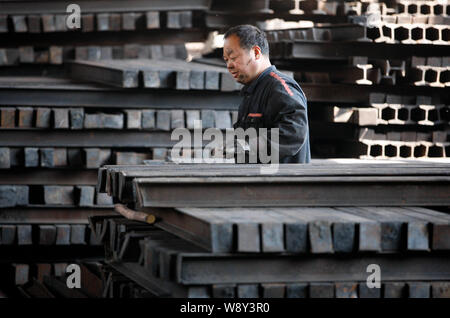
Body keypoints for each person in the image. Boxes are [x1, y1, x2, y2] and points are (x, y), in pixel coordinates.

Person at [223, 24, 311, 163]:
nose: (229, 65)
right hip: (256, 181)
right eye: (226, 60)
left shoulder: (281, 88)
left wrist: (247, 145)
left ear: (256, 53)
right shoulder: (251, 93)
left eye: (233, 57)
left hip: (282, 182)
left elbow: (294, 133)